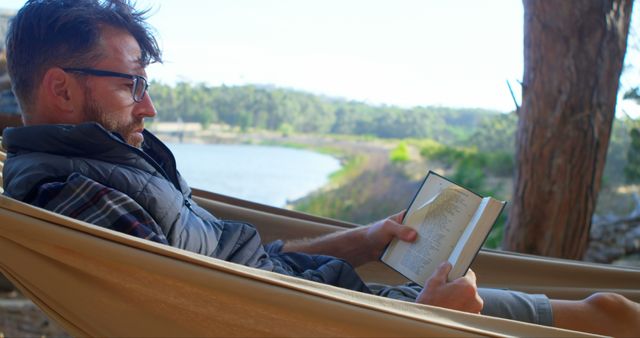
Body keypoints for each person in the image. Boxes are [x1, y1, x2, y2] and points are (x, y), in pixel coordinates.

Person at [3, 0, 639, 336]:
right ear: (61, 88)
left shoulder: (113, 161)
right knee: (612, 312)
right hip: (355, 319)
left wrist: (361, 241)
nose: (150, 103)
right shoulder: (72, 193)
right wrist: (429, 320)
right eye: (130, 83)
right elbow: (206, 317)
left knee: (612, 307)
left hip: (343, 298)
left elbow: (236, 267)